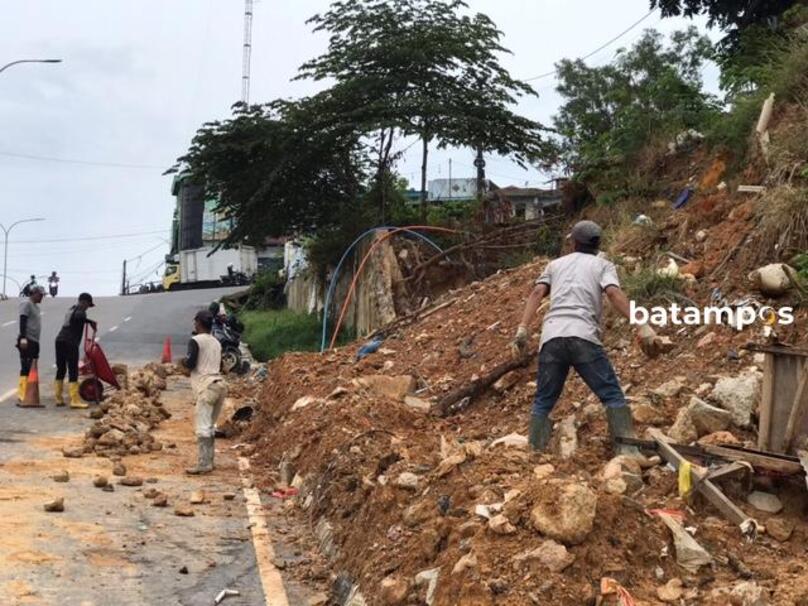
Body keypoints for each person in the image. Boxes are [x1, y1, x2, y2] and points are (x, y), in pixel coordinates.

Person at [513, 220, 662, 455]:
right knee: (611, 394)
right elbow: (613, 293)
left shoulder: (554, 266)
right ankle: (627, 452)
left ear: (573, 242)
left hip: (552, 337)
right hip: (583, 336)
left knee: (543, 400)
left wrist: (522, 328)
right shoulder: (603, 265)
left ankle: (534, 453)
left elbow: (537, 292)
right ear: (597, 244)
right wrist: (641, 324)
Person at [181, 310, 227, 474]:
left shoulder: (195, 341)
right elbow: (221, 366)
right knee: (210, 425)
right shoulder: (216, 342)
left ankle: (203, 463)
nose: (194, 325)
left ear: (199, 323)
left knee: (202, 426)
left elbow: (191, 363)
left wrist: (183, 363)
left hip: (206, 385)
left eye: (195, 322)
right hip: (220, 384)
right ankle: (210, 461)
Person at [54, 292, 97, 408]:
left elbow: (76, 318)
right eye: (88, 304)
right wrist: (87, 320)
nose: (87, 307)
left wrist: (89, 322)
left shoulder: (71, 309)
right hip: (70, 342)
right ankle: (75, 400)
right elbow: (79, 316)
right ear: (83, 302)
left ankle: (58, 398)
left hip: (59, 340)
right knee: (73, 370)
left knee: (61, 369)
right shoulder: (80, 311)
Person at [16, 285, 45, 405]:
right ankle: (22, 394)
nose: (42, 297)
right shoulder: (26, 304)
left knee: (32, 366)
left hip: (35, 340)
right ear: (34, 293)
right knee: (26, 366)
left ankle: (30, 392)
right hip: (27, 339)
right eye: (40, 295)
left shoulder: (37, 307)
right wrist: (23, 338)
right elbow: (23, 320)